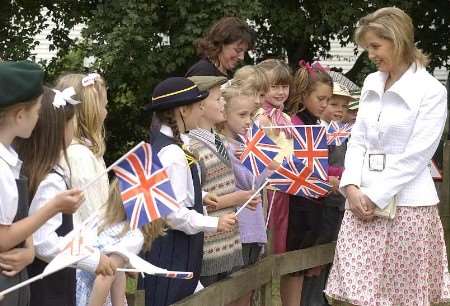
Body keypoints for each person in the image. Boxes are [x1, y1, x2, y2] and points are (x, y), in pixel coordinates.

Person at [324, 7, 449, 305]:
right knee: (359, 295)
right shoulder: (371, 83)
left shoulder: (430, 90)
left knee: (404, 296)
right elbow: (358, 139)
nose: (371, 55)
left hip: (408, 205)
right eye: (368, 48)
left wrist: (376, 195)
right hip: (361, 202)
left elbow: (418, 154)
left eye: (375, 47)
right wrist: (351, 187)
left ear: (398, 41)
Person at [140, 77, 236, 306]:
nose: (202, 110)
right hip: (172, 251)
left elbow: (168, 190)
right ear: (182, 110)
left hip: (177, 251)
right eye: (198, 106)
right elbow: (172, 213)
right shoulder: (172, 154)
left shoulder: (168, 145)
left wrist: (200, 196)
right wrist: (214, 223)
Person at [15, 87, 114, 306]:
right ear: (60, 129)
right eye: (72, 122)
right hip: (47, 286)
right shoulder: (51, 180)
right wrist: (92, 259)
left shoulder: (31, 169)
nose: (75, 128)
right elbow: (43, 242)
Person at [0, 61, 82, 306]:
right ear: (20, 115)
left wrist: (29, 250)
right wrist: (54, 207)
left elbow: (16, 219)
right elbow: (3, 237)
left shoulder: (10, 160)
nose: (39, 119)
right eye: (36, 111)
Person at [186, 76, 260, 290]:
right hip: (208, 247)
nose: (223, 104)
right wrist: (239, 198)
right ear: (200, 105)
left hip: (227, 242)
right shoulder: (191, 145)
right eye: (218, 100)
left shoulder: (218, 140)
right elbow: (195, 200)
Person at [285, 61, 333, 306]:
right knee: (294, 267)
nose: (325, 104)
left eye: (328, 99)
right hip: (298, 204)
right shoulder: (295, 125)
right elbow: (300, 168)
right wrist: (329, 178)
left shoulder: (314, 124)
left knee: (303, 268)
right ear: (304, 95)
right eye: (321, 98)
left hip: (313, 202)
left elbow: (321, 166)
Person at [76, 179, 166, 306]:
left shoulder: (102, 218)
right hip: (93, 296)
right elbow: (104, 277)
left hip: (72, 285)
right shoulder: (133, 236)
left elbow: (117, 271)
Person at [220, 78, 270, 306]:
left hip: (253, 229)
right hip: (238, 230)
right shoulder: (224, 147)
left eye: (250, 115)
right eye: (242, 115)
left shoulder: (245, 144)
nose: (249, 121)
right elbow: (250, 181)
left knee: (246, 292)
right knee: (234, 293)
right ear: (223, 112)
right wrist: (270, 162)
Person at [55, 73, 109, 227]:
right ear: (90, 112)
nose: (106, 113)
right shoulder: (79, 157)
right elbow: (94, 218)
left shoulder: (80, 152)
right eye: (104, 106)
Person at [185, 17, 255, 79]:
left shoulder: (230, 74)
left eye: (244, 52)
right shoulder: (202, 72)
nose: (242, 57)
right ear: (221, 43)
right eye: (238, 50)